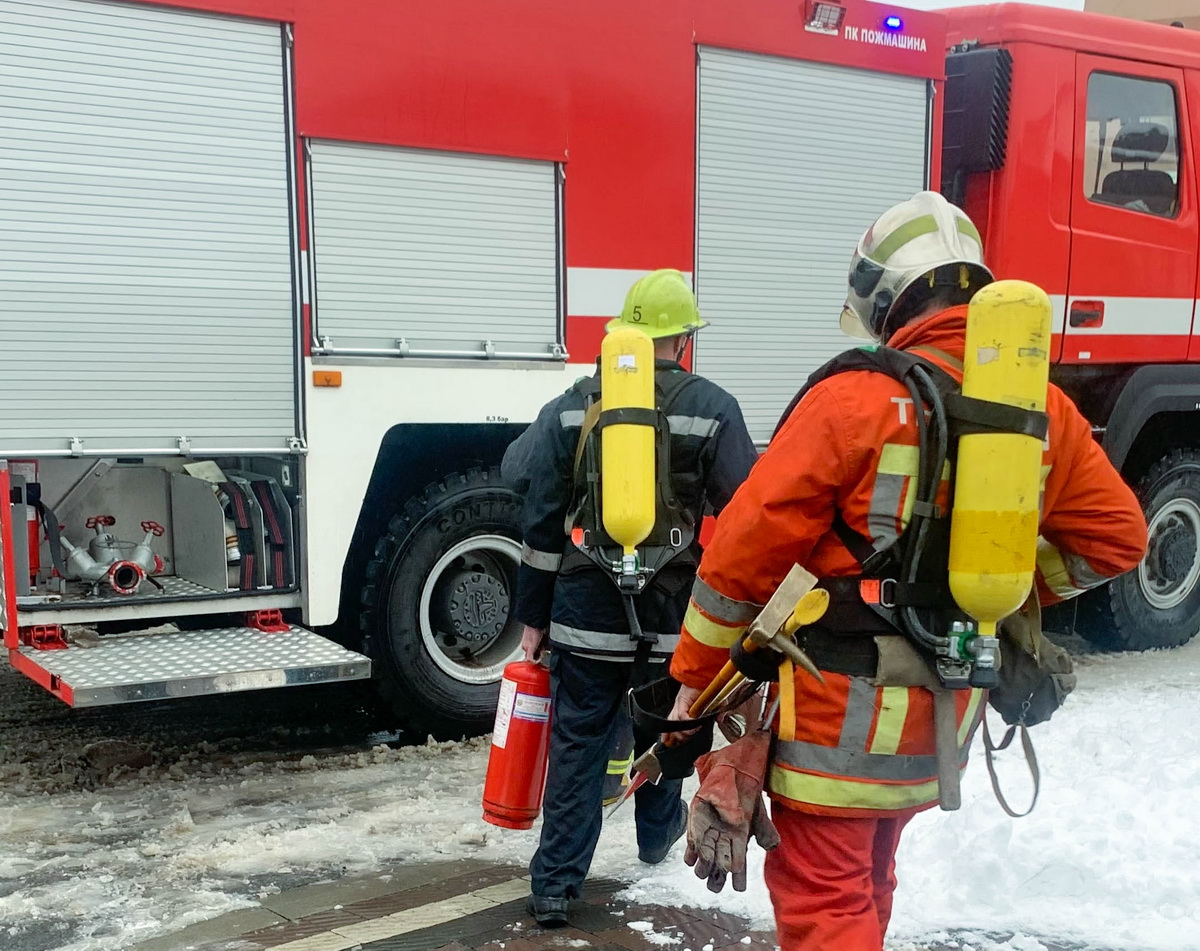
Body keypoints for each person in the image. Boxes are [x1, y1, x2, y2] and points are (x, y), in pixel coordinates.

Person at [667, 192, 1149, 951]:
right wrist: (1000, 588)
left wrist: (693, 686)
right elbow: (1117, 540)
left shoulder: (852, 401)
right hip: (943, 714)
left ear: (886, 300)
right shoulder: (1043, 413)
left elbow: (740, 557)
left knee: (827, 899)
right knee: (870, 878)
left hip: (835, 722)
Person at [511, 268, 757, 928]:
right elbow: (748, 515)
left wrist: (532, 617)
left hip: (584, 615)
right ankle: (655, 840)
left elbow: (537, 514)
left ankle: (555, 885)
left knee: (578, 745)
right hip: (676, 616)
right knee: (668, 726)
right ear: (682, 339)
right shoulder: (713, 406)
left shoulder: (575, 404)